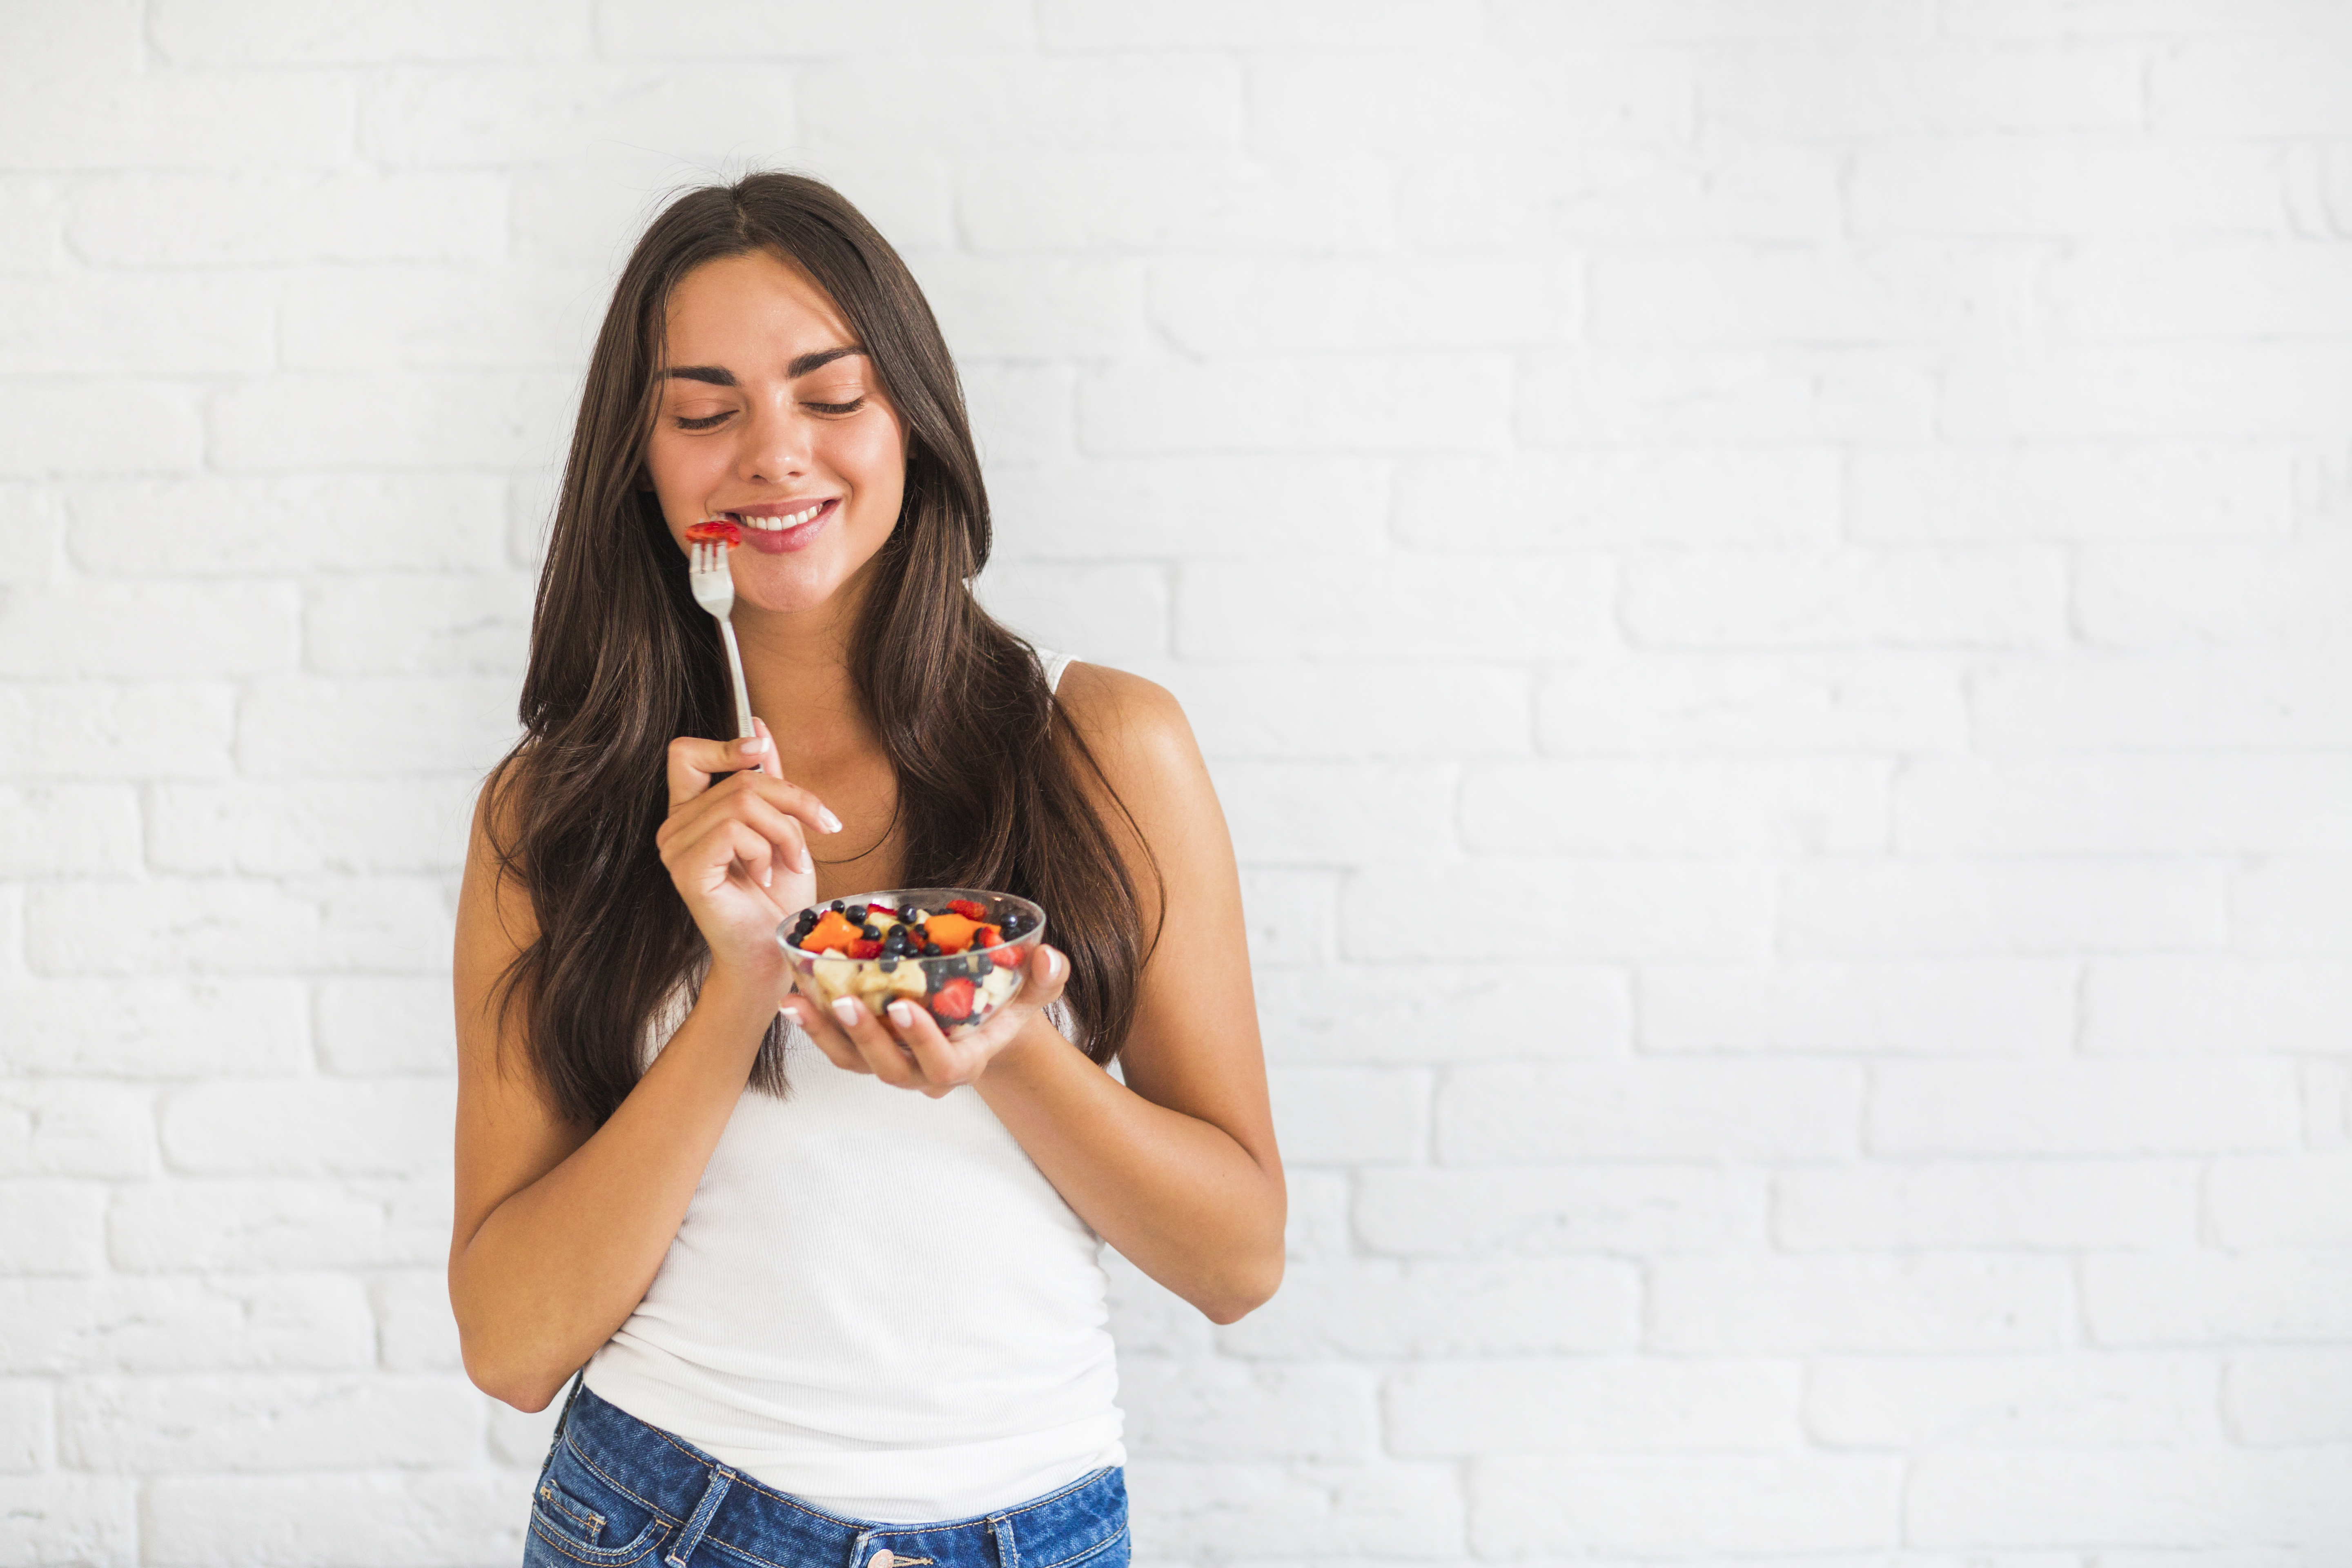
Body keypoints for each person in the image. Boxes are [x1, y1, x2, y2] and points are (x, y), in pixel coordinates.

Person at [448, 172, 1284, 1568]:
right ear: (641, 462)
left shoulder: (1107, 749)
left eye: (829, 397)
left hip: (1044, 1526)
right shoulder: (554, 816)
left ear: (915, 423)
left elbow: (1236, 1261)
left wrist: (1005, 1038)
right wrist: (740, 984)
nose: (774, 456)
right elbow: (513, 1344)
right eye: (706, 413)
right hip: (667, 1520)